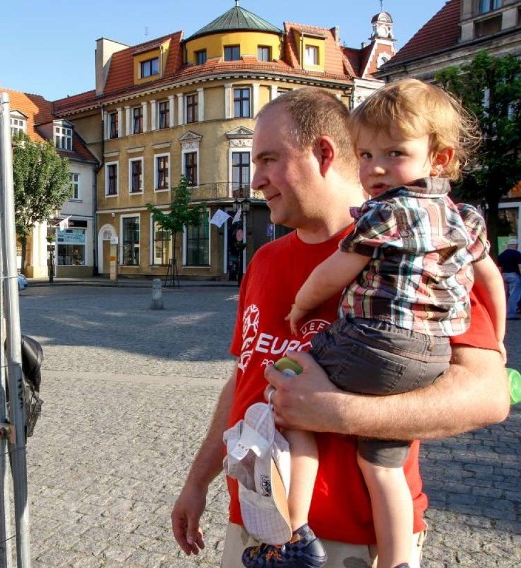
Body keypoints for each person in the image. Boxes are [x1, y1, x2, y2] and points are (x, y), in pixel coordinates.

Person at [170, 88, 509, 568]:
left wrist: (334, 413)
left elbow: (489, 397)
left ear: (324, 153)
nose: (257, 179)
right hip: (257, 526)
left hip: (355, 541)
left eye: (268, 159)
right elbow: (244, 377)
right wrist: (197, 481)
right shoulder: (264, 260)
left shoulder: (425, 247)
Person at [498, 237, 521, 321]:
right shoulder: (517, 254)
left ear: (508, 245)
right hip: (514, 276)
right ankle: (510, 314)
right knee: (514, 295)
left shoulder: (502, 254)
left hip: (503, 275)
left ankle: (502, 313)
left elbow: (499, 268)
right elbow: (520, 266)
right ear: (515, 245)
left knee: (505, 296)